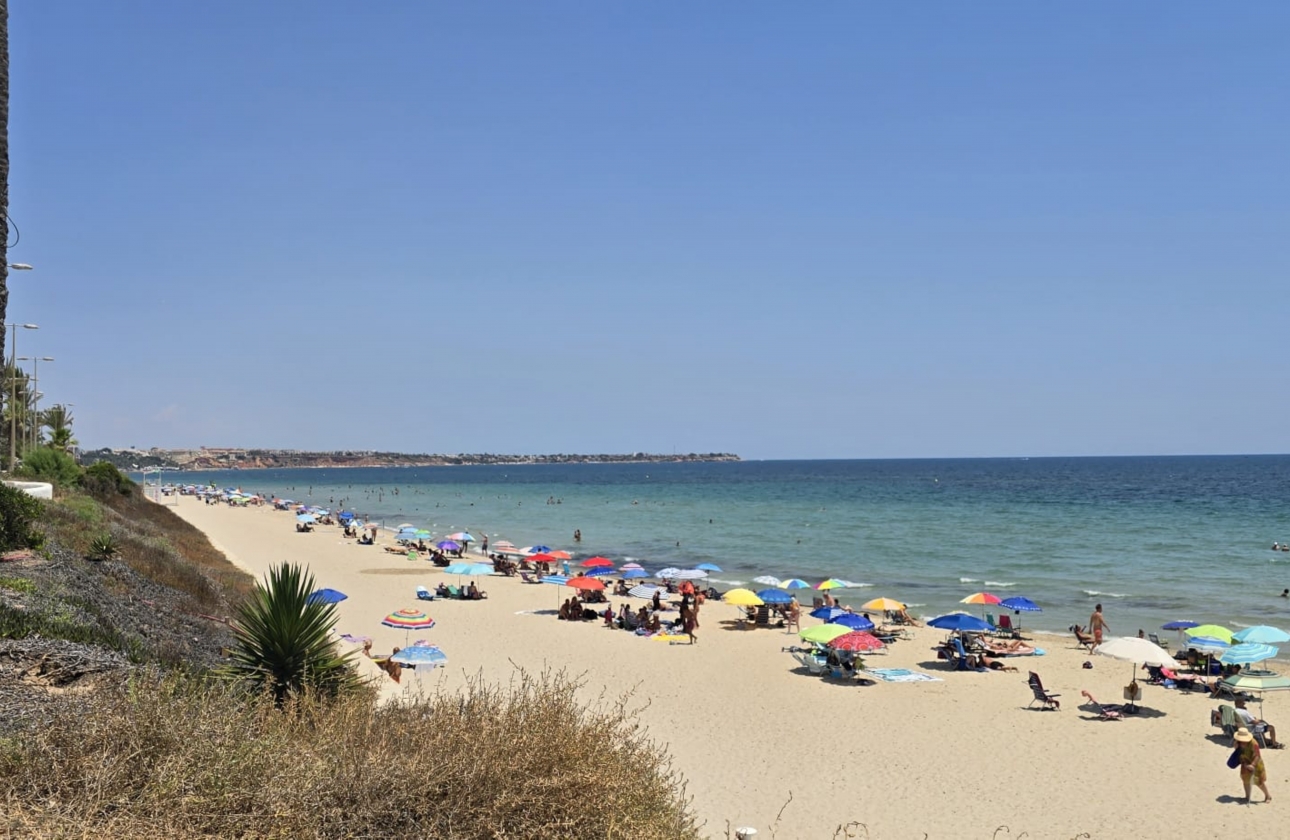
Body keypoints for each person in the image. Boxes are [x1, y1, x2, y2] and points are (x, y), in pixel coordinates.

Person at [1234, 728, 1272, 803]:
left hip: (1256, 764)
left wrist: (1252, 765)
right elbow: (1238, 752)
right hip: (1245, 763)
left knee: (1259, 782)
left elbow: (1257, 755)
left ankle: (1268, 796)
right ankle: (1247, 797)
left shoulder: (1254, 743)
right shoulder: (1238, 742)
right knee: (1245, 781)